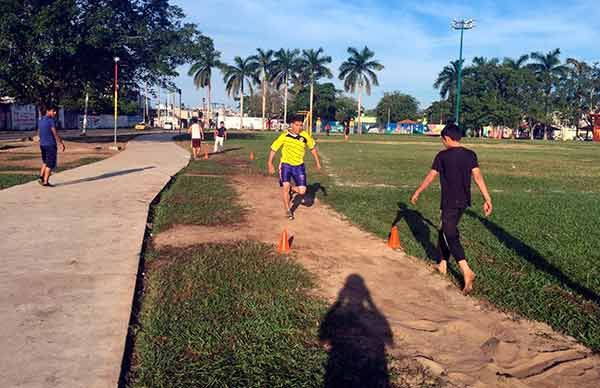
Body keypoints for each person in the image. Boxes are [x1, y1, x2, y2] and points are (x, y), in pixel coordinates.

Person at [410, 123, 493, 294]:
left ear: (447, 138)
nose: (442, 142)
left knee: (450, 233)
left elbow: (431, 176)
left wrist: (418, 191)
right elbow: (477, 176)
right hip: (463, 202)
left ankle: (466, 270)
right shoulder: (470, 154)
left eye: (442, 140)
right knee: (444, 228)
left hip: (449, 201)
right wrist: (487, 198)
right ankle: (442, 263)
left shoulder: (442, 156)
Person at [268, 115, 322, 220]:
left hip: (299, 166)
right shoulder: (284, 136)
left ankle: (292, 189)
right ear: (292, 125)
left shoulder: (305, 136)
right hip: (286, 165)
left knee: (302, 191)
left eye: (301, 125)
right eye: (297, 125)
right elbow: (273, 149)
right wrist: (270, 163)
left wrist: (318, 162)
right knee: (285, 187)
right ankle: (288, 210)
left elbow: (313, 149)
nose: (299, 127)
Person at [37, 106, 65, 187]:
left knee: (45, 161)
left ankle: (41, 177)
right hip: (50, 145)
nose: (55, 113)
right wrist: (61, 143)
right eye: (53, 111)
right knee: (50, 164)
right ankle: (45, 182)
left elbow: (38, 133)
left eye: (56, 112)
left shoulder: (41, 120)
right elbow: (55, 133)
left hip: (42, 145)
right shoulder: (50, 121)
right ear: (48, 111)